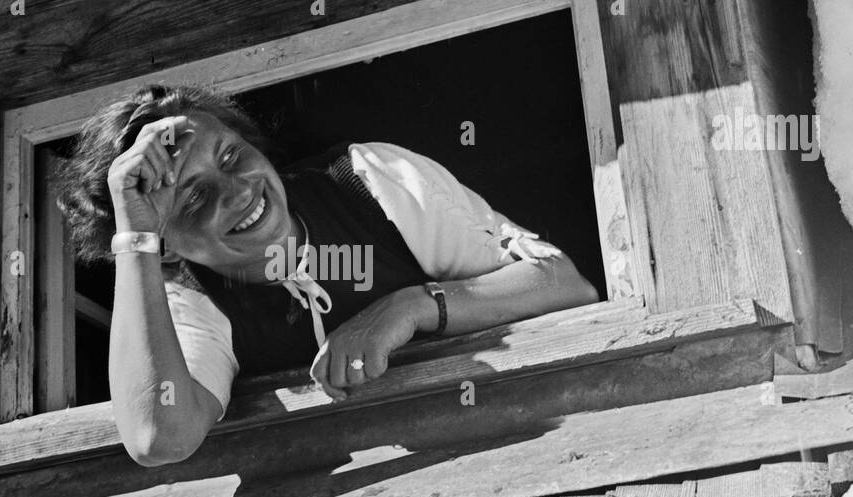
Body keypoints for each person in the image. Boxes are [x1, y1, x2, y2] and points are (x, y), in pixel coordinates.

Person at [58, 83, 598, 467]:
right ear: (170, 250)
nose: (239, 191)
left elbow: (565, 282)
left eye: (230, 156)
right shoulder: (190, 300)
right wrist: (134, 239)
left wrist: (411, 306)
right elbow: (159, 438)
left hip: (537, 447)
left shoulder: (368, 181)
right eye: (196, 196)